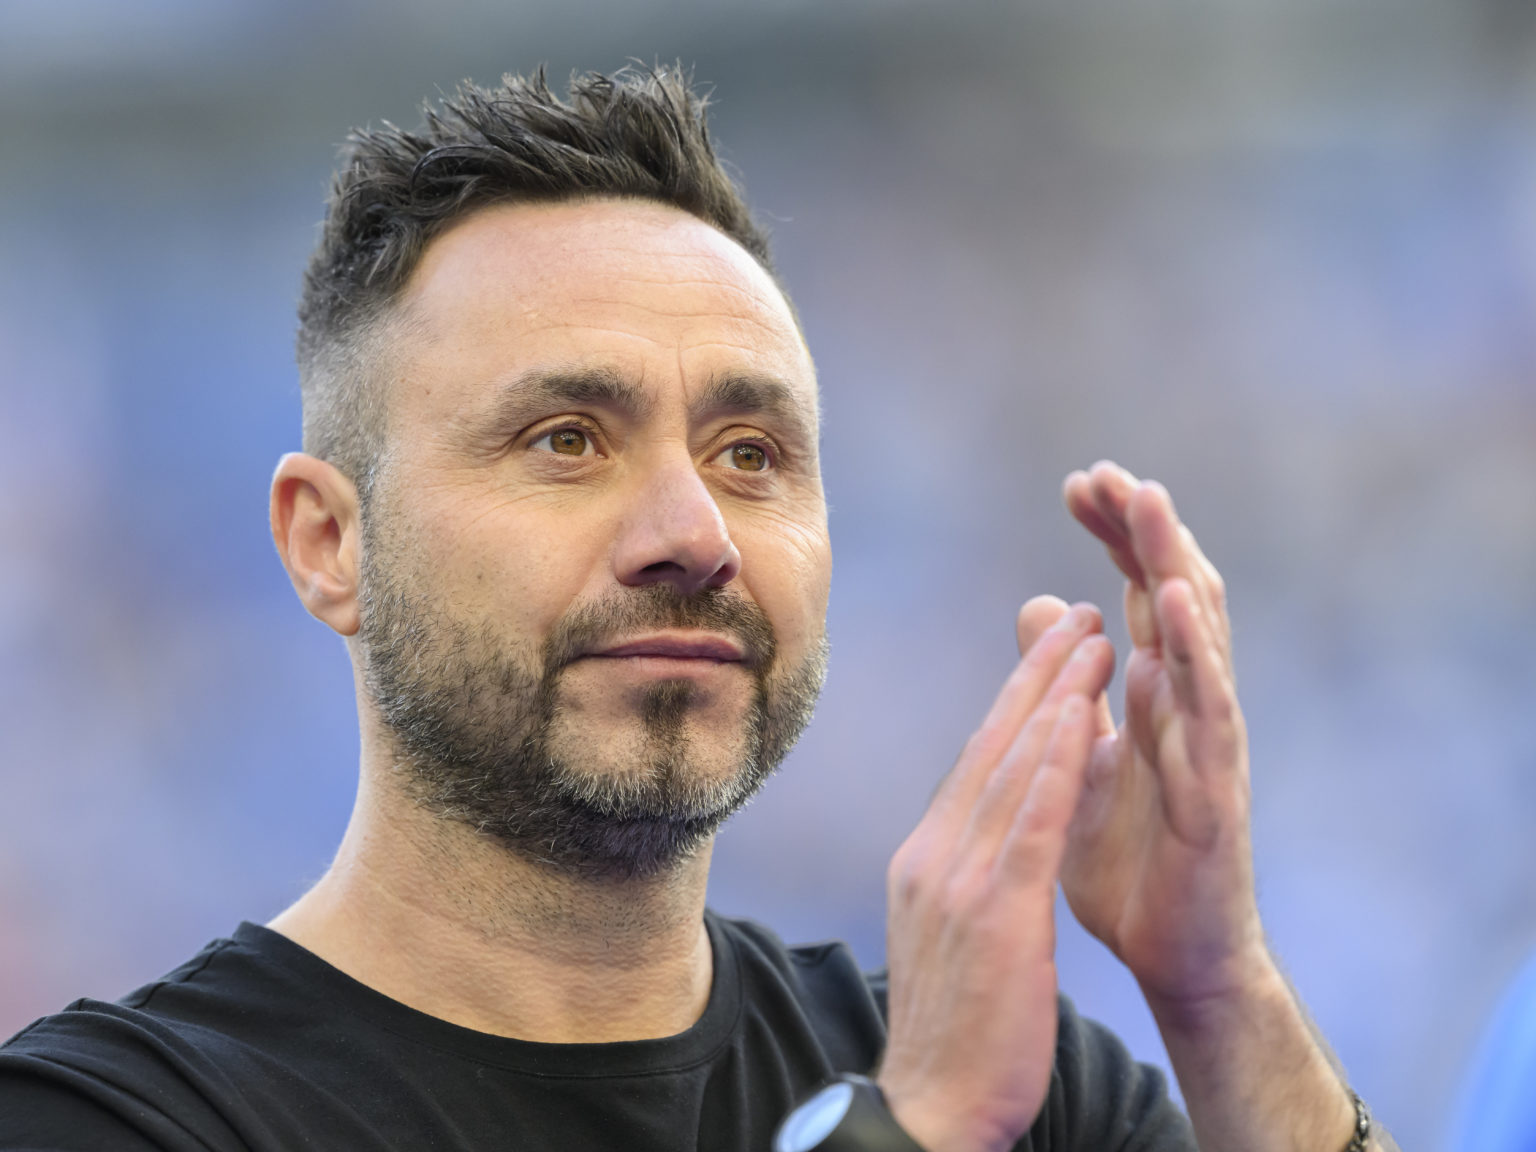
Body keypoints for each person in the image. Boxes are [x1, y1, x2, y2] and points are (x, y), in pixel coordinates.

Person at [0, 67, 1395, 1152]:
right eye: (564, 439)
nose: (694, 535)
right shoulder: (115, 1119)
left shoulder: (1010, 1076)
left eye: (751, 455)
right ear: (327, 543)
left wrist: (1221, 996)